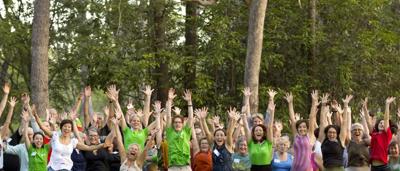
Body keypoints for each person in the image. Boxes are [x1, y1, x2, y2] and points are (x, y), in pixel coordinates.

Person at [34, 109, 110, 171]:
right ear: (61, 128)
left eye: (69, 127)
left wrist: (102, 145)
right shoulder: (55, 136)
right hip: (53, 168)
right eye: (65, 126)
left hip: (66, 169)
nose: (67, 128)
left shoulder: (73, 142)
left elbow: (88, 148)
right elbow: (42, 127)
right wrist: (36, 115)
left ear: (71, 130)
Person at [242, 89, 276, 171]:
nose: (257, 123)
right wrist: (246, 98)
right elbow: (247, 117)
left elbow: (269, 116)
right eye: (255, 122)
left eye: (259, 121)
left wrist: (271, 99)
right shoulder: (251, 139)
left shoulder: (268, 140)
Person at [284, 91, 319, 171]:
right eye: (300, 127)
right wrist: (290, 103)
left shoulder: (310, 136)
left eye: (304, 127)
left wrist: (314, 102)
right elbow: (293, 119)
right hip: (295, 167)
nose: (302, 129)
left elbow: (312, 117)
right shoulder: (296, 136)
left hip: (307, 168)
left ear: (307, 128)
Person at [319, 94, 353, 171]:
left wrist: (345, 105)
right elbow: (322, 122)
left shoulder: (340, 140)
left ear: (337, 134)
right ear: (326, 133)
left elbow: (344, 123)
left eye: (334, 132)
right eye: (330, 132)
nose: (331, 134)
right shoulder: (324, 140)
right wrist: (323, 105)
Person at [369, 97, 395, 171]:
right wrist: (364, 108)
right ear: (377, 125)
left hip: (383, 167)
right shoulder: (374, 134)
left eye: (384, 123)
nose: (382, 124)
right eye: (380, 123)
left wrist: (387, 104)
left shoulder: (387, 135)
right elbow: (368, 124)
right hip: (373, 167)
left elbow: (386, 119)